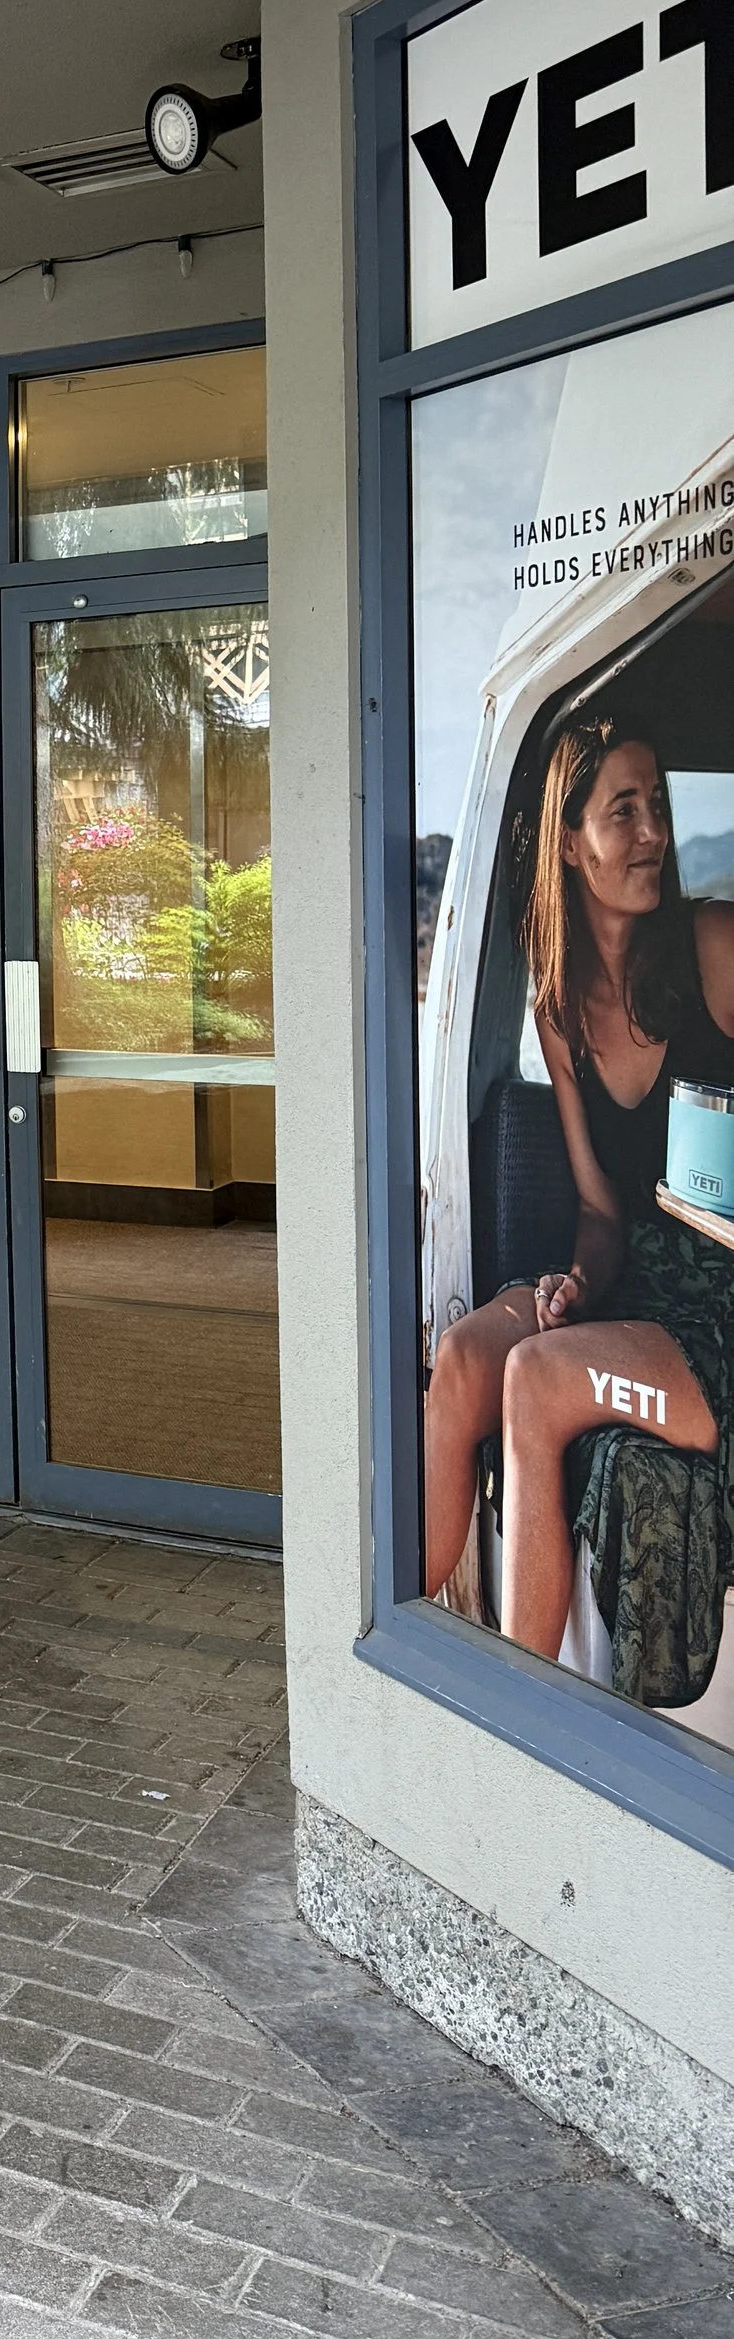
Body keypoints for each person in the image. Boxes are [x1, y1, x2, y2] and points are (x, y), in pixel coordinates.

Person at [422, 713, 734, 1708]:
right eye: (622, 810)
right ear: (567, 840)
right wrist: (575, 1281)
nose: (650, 832)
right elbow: (601, 1211)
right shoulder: (557, 1006)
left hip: (718, 1307)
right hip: (634, 1285)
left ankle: (523, 1718)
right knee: (471, 1355)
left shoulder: (715, 947)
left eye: (656, 807)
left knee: (537, 1376)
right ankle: (405, 1654)